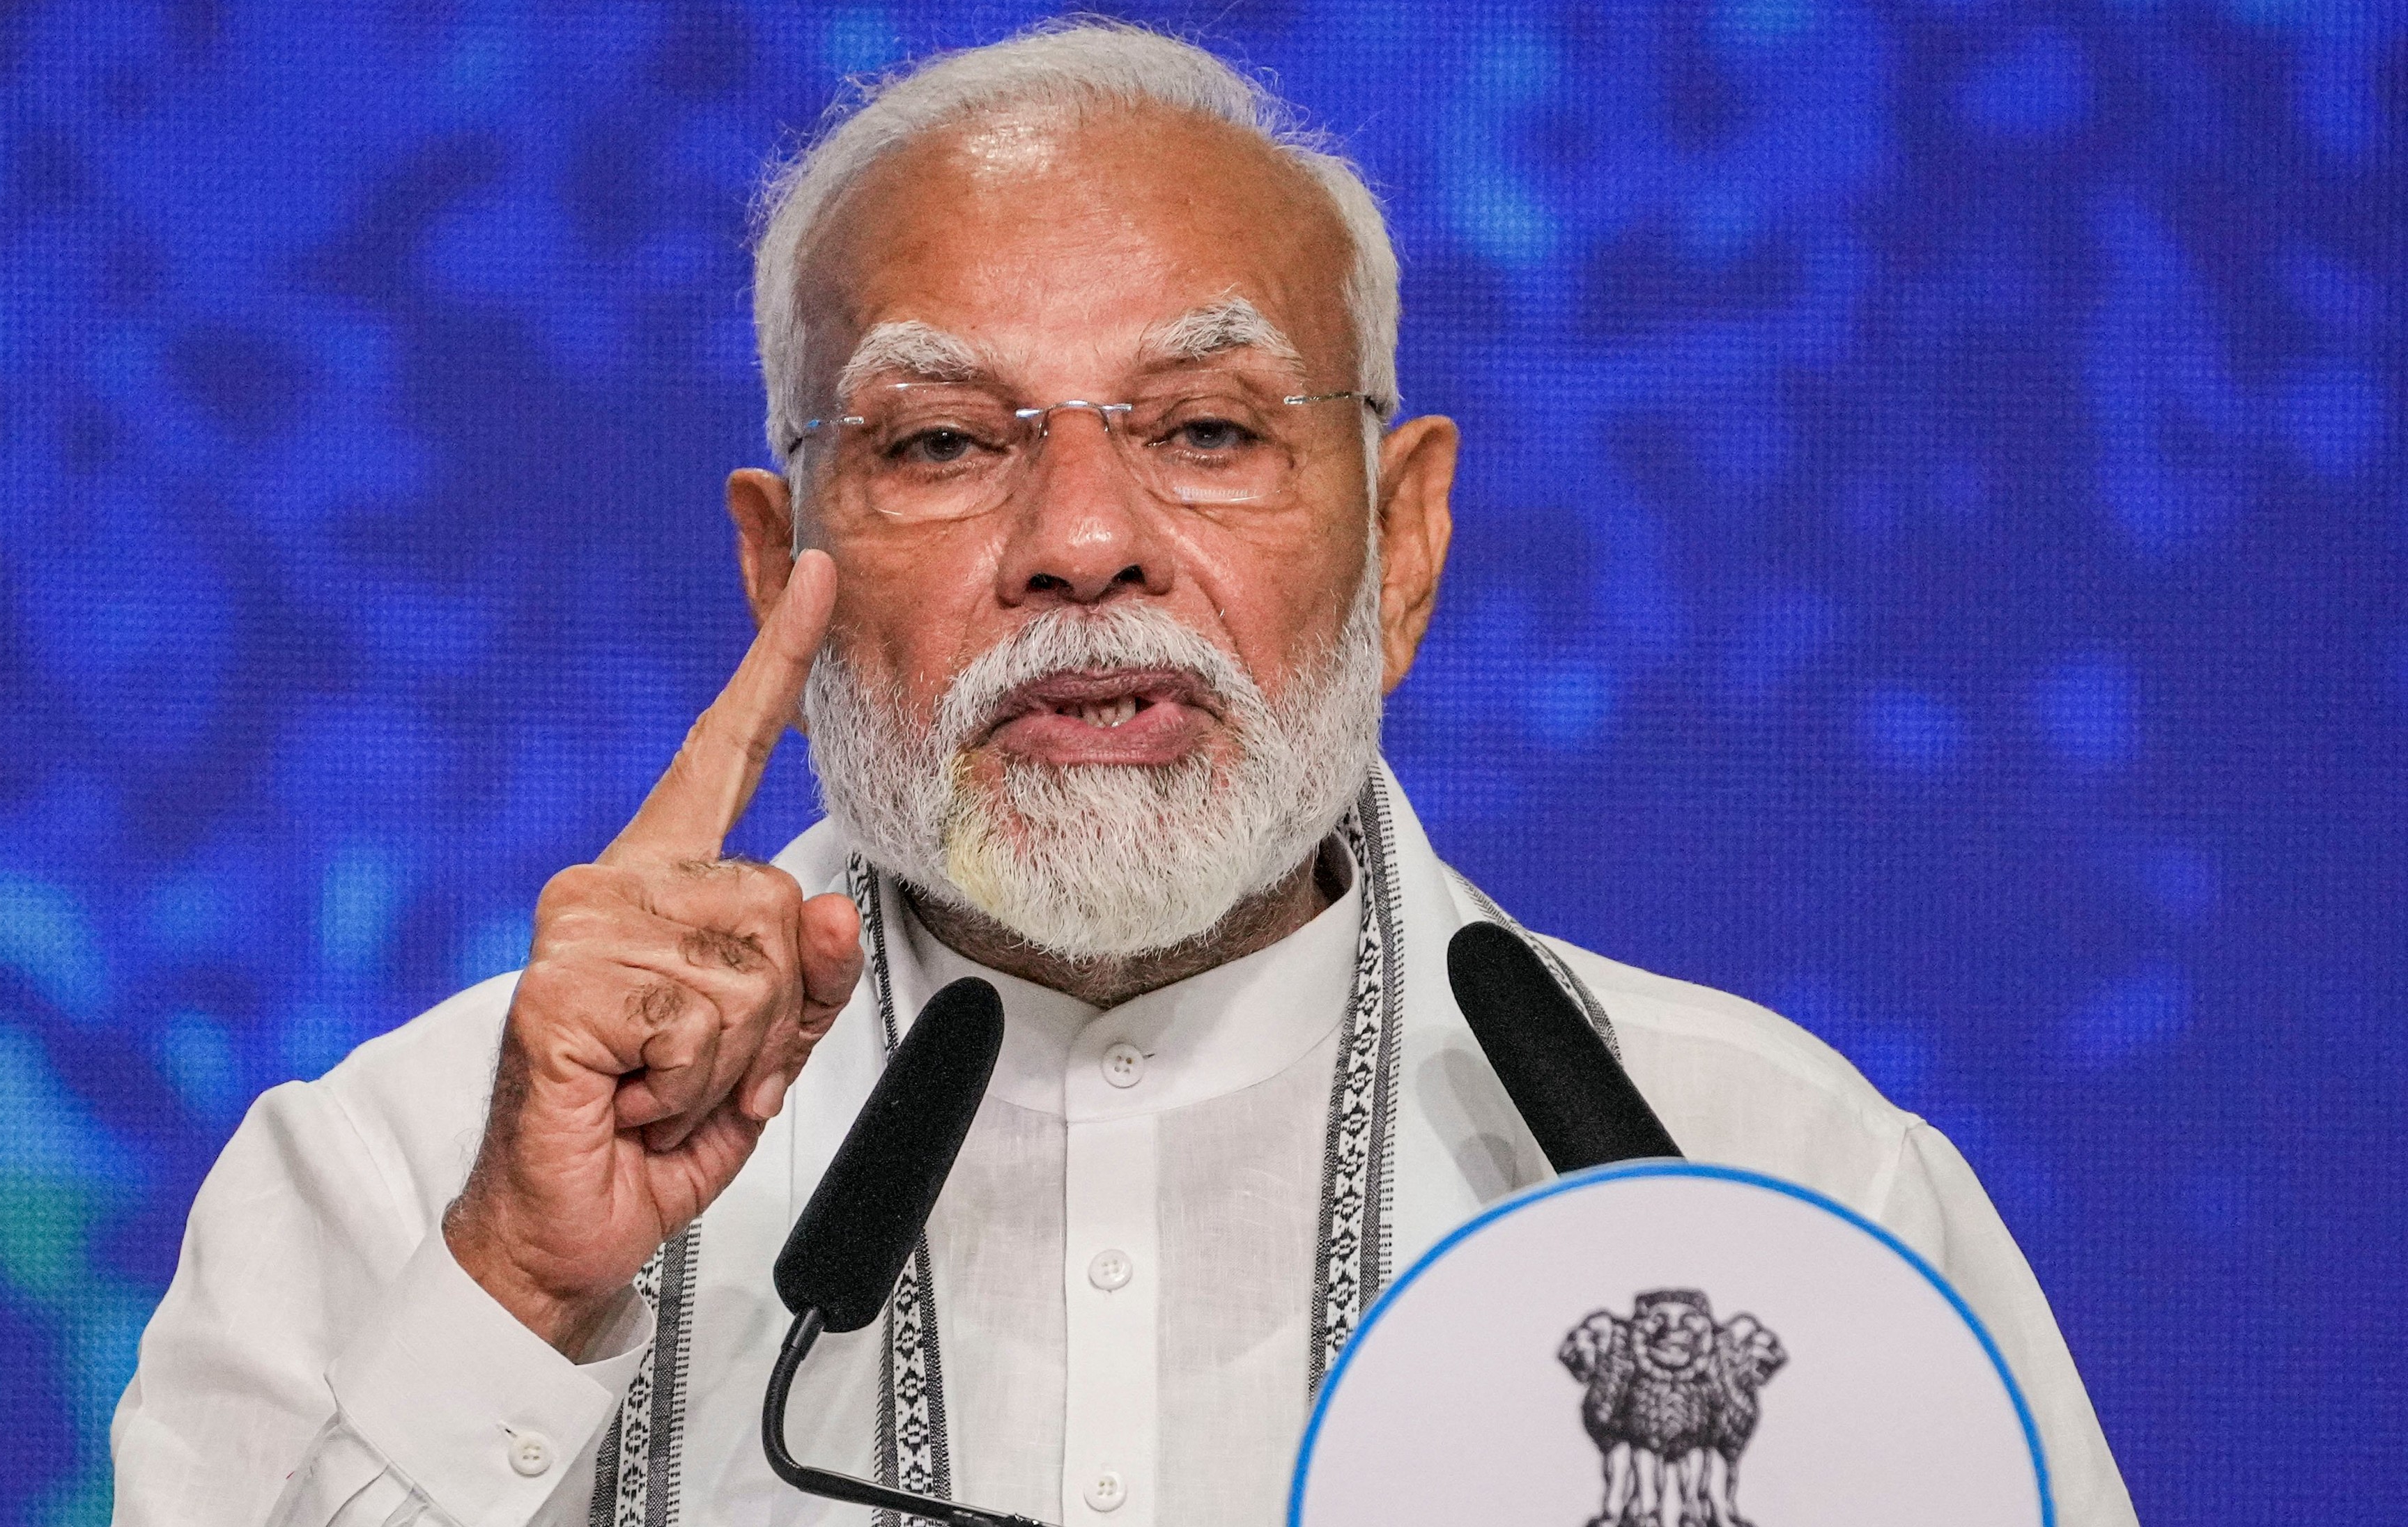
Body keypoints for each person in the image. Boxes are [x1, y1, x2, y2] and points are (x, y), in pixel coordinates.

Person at [110, 21, 2134, 1527]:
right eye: (939, 443)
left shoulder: (1782, 1186)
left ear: (1404, 540)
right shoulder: (402, 1178)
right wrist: (517, 1300)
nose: (1083, 542)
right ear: (776, 565)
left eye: (1209, 430)